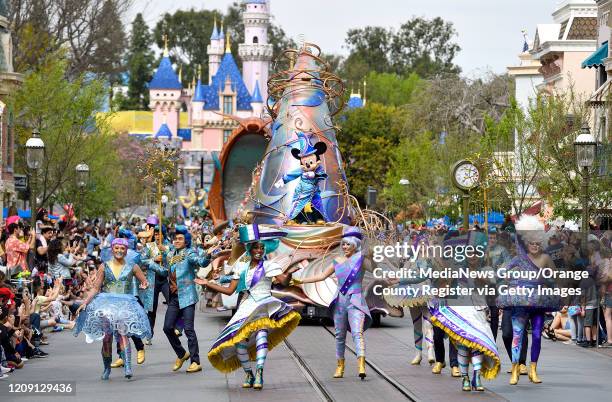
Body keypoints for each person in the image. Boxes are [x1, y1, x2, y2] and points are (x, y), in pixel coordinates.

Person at [201, 224, 301, 390]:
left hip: (264, 305)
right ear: (250, 249)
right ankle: (249, 373)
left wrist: (290, 272)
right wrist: (208, 284)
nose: (259, 250)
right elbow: (229, 290)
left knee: (262, 334)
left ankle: (260, 372)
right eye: (256, 247)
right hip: (247, 306)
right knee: (240, 343)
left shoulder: (269, 265)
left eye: (262, 247)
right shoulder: (241, 267)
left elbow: (283, 281)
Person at [295, 226, 371, 379]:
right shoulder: (337, 261)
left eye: (347, 244)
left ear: (355, 244)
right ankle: (340, 366)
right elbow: (321, 276)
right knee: (339, 335)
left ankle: (361, 364)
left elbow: (374, 268)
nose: (344, 247)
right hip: (340, 302)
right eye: (343, 244)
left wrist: (373, 254)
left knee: (357, 333)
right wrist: (300, 280)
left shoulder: (361, 259)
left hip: (356, 301)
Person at [74, 238, 151, 380]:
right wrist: (85, 302)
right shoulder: (104, 266)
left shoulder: (133, 266)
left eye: (122, 248)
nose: (119, 251)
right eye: (117, 248)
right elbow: (96, 288)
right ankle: (106, 367)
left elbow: (144, 281)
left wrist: (144, 286)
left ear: (126, 250)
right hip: (106, 305)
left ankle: (128, 366)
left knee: (123, 334)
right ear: (112, 249)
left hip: (124, 304)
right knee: (107, 338)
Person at [497, 215, 559, 385]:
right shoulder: (519, 258)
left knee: (537, 335)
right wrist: (506, 273)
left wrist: (549, 282)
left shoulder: (546, 258)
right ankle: (515, 369)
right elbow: (502, 273)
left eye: (538, 243)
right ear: (527, 242)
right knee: (517, 335)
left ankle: (533, 369)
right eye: (532, 243)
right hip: (521, 302)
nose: (535, 246)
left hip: (538, 302)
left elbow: (555, 278)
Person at [149, 225, 211, 373]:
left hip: (187, 296)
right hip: (174, 298)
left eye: (180, 239)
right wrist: (152, 265)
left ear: (186, 241)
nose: (177, 241)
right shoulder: (170, 255)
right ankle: (182, 353)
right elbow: (165, 272)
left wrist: (208, 255)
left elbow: (201, 262)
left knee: (189, 329)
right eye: (175, 238)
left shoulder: (189, 253)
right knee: (167, 328)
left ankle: (195, 362)